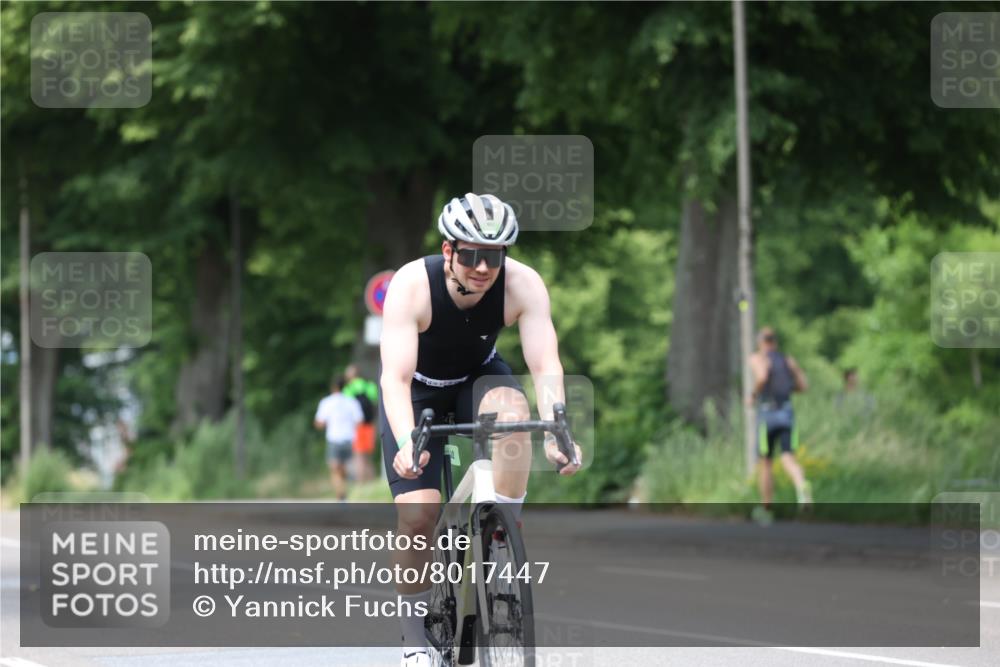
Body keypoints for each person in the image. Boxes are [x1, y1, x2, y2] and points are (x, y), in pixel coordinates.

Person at [379, 192, 583, 666]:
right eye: (470, 254)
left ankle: (499, 530)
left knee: (514, 416)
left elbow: (545, 362)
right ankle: (413, 641)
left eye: (493, 256)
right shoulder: (412, 285)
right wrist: (409, 443)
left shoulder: (522, 285)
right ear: (448, 251)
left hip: (478, 376)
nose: (482, 268)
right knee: (417, 517)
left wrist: (557, 429)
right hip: (418, 391)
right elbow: (395, 378)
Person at [748, 327, 812, 517]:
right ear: (775, 342)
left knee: (765, 461)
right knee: (787, 457)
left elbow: (762, 377)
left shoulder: (758, 358)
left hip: (768, 413)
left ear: (760, 342)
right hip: (787, 412)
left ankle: (766, 507)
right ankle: (801, 486)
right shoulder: (787, 360)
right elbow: (802, 386)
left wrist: (753, 395)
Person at [313, 376, 363, 501]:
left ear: (333, 387)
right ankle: (343, 494)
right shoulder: (352, 401)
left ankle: (341, 494)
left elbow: (319, 422)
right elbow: (359, 421)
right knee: (342, 467)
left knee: (335, 469)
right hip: (349, 438)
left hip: (334, 438)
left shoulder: (326, 402)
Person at [343, 363, 379, 483]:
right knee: (368, 455)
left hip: (356, 426)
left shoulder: (348, 389)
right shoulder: (369, 386)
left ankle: (360, 482)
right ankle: (371, 480)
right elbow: (374, 400)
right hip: (369, 424)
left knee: (358, 455)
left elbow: (347, 410)